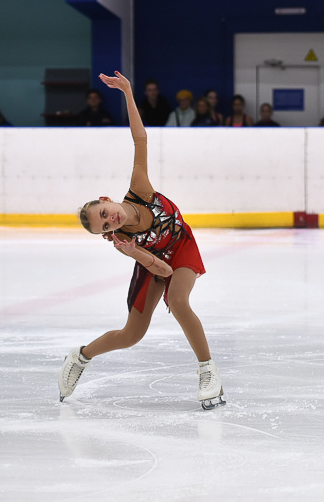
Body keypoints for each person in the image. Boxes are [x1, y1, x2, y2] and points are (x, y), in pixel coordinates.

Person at [64, 71, 225, 409]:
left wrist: (127, 93)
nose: (111, 220)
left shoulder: (139, 188)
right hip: (156, 261)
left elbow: (140, 139)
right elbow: (162, 272)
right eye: (105, 226)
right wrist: (137, 253)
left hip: (182, 245)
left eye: (105, 212)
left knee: (179, 302)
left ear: (107, 199)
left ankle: (209, 372)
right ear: (107, 234)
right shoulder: (125, 242)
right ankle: (80, 357)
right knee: (132, 335)